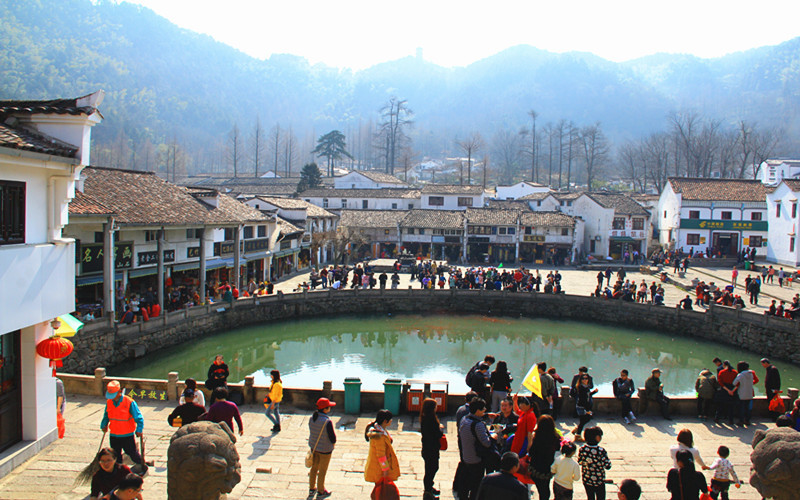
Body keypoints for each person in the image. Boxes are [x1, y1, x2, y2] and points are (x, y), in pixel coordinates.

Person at [101, 381, 145, 470]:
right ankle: (119, 471)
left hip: (127, 435)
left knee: (132, 453)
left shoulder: (129, 402)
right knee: (116, 456)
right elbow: (106, 416)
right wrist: (103, 425)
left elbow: (139, 418)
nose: (112, 398)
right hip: (114, 434)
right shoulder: (109, 402)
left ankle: (143, 465)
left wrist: (139, 429)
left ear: (119, 391)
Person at [456, 398, 495, 500]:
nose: (485, 410)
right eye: (483, 409)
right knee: (476, 486)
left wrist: (486, 415)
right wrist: (493, 437)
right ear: (477, 410)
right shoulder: (478, 425)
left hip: (466, 457)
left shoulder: (464, 419)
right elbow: (486, 443)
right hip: (476, 459)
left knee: (465, 485)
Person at [308, 398, 336, 499]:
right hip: (325, 449)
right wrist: (333, 444)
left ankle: (312, 488)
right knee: (322, 471)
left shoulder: (312, 418)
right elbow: (332, 437)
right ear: (325, 409)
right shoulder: (327, 422)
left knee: (314, 468)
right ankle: (321, 491)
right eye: (328, 407)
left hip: (314, 447)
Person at [527, 415, 561, 500]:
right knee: (545, 489)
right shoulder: (555, 437)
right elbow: (558, 449)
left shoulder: (537, 438)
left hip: (536, 468)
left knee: (540, 488)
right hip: (548, 467)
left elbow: (531, 452)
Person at [365, 410, 400, 489]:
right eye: (390, 419)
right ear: (385, 421)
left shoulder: (381, 430)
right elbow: (381, 455)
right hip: (379, 469)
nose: (391, 421)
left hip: (379, 467)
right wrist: (385, 470)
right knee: (381, 491)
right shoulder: (378, 436)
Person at [578, 427, 612, 500]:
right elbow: (607, 466)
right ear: (597, 437)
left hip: (587, 479)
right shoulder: (600, 451)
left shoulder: (582, 449)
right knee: (601, 497)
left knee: (590, 497)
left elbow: (580, 462)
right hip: (598, 480)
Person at [420, 398, 443, 498]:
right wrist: (440, 429)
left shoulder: (425, 417)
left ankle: (429, 486)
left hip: (427, 448)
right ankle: (428, 489)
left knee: (429, 468)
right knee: (432, 468)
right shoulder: (431, 420)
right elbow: (436, 434)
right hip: (432, 448)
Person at [729, 361, 758, 426]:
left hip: (742, 394)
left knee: (741, 408)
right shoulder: (751, 374)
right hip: (749, 393)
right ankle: (747, 420)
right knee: (747, 408)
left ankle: (741, 421)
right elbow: (754, 381)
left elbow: (734, 383)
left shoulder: (741, 375)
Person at [572, 373, 594, 441]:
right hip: (582, 406)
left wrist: (593, 392)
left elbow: (587, 395)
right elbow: (583, 399)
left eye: (586, 378)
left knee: (584, 420)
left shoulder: (586, 386)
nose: (585, 380)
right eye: (583, 378)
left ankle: (577, 430)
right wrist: (587, 410)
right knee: (585, 419)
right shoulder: (581, 387)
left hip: (583, 406)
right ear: (580, 380)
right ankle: (578, 435)